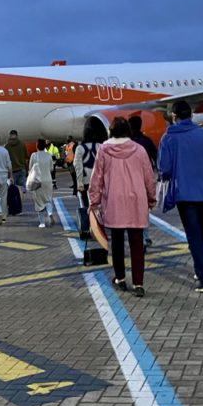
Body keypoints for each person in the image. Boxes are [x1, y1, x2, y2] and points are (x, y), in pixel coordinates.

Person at [157, 100, 203, 293]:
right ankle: (202, 269)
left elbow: (164, 169)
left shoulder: (168, 138)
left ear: (174, 116)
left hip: (184, 194)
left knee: (193, 236)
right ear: (191, 115)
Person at [88, 117, 156, 297]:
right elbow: (149, 177)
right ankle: (139, 283)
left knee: (117, 243)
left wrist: (93, 201)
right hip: (136, 201)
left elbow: (97, 178)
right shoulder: (139, 150)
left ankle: (120, 278)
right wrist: (151, 197)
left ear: (111, 131)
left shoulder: (104, 150)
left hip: (114, 202)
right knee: (136, 243)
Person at [128, 115, 158, 247]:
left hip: (128, 182)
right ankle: (145, 237)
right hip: (144, 182)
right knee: (144, 212)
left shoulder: (127, 143)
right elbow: (156, 159)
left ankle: (133, 237)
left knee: (129, 212)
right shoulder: (147, 141)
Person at [73, 123, 102, 238]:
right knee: (98, 206)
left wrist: (79, 182)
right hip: (98, 182)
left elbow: (78, 166)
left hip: (85, 182)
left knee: (85, 206)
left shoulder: (80, 148)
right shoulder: (99, 146)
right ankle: (97, 228)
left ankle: (88, 228)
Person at [27, 139, 56, 228]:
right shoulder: (49, 155)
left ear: (37, 146)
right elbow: (51, 168)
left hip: (37, 181)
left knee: (39, 201)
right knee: (48, 199)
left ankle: (42, 222)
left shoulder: (34, 155)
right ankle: (50, 213)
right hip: (48, 180)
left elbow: (30, 167)